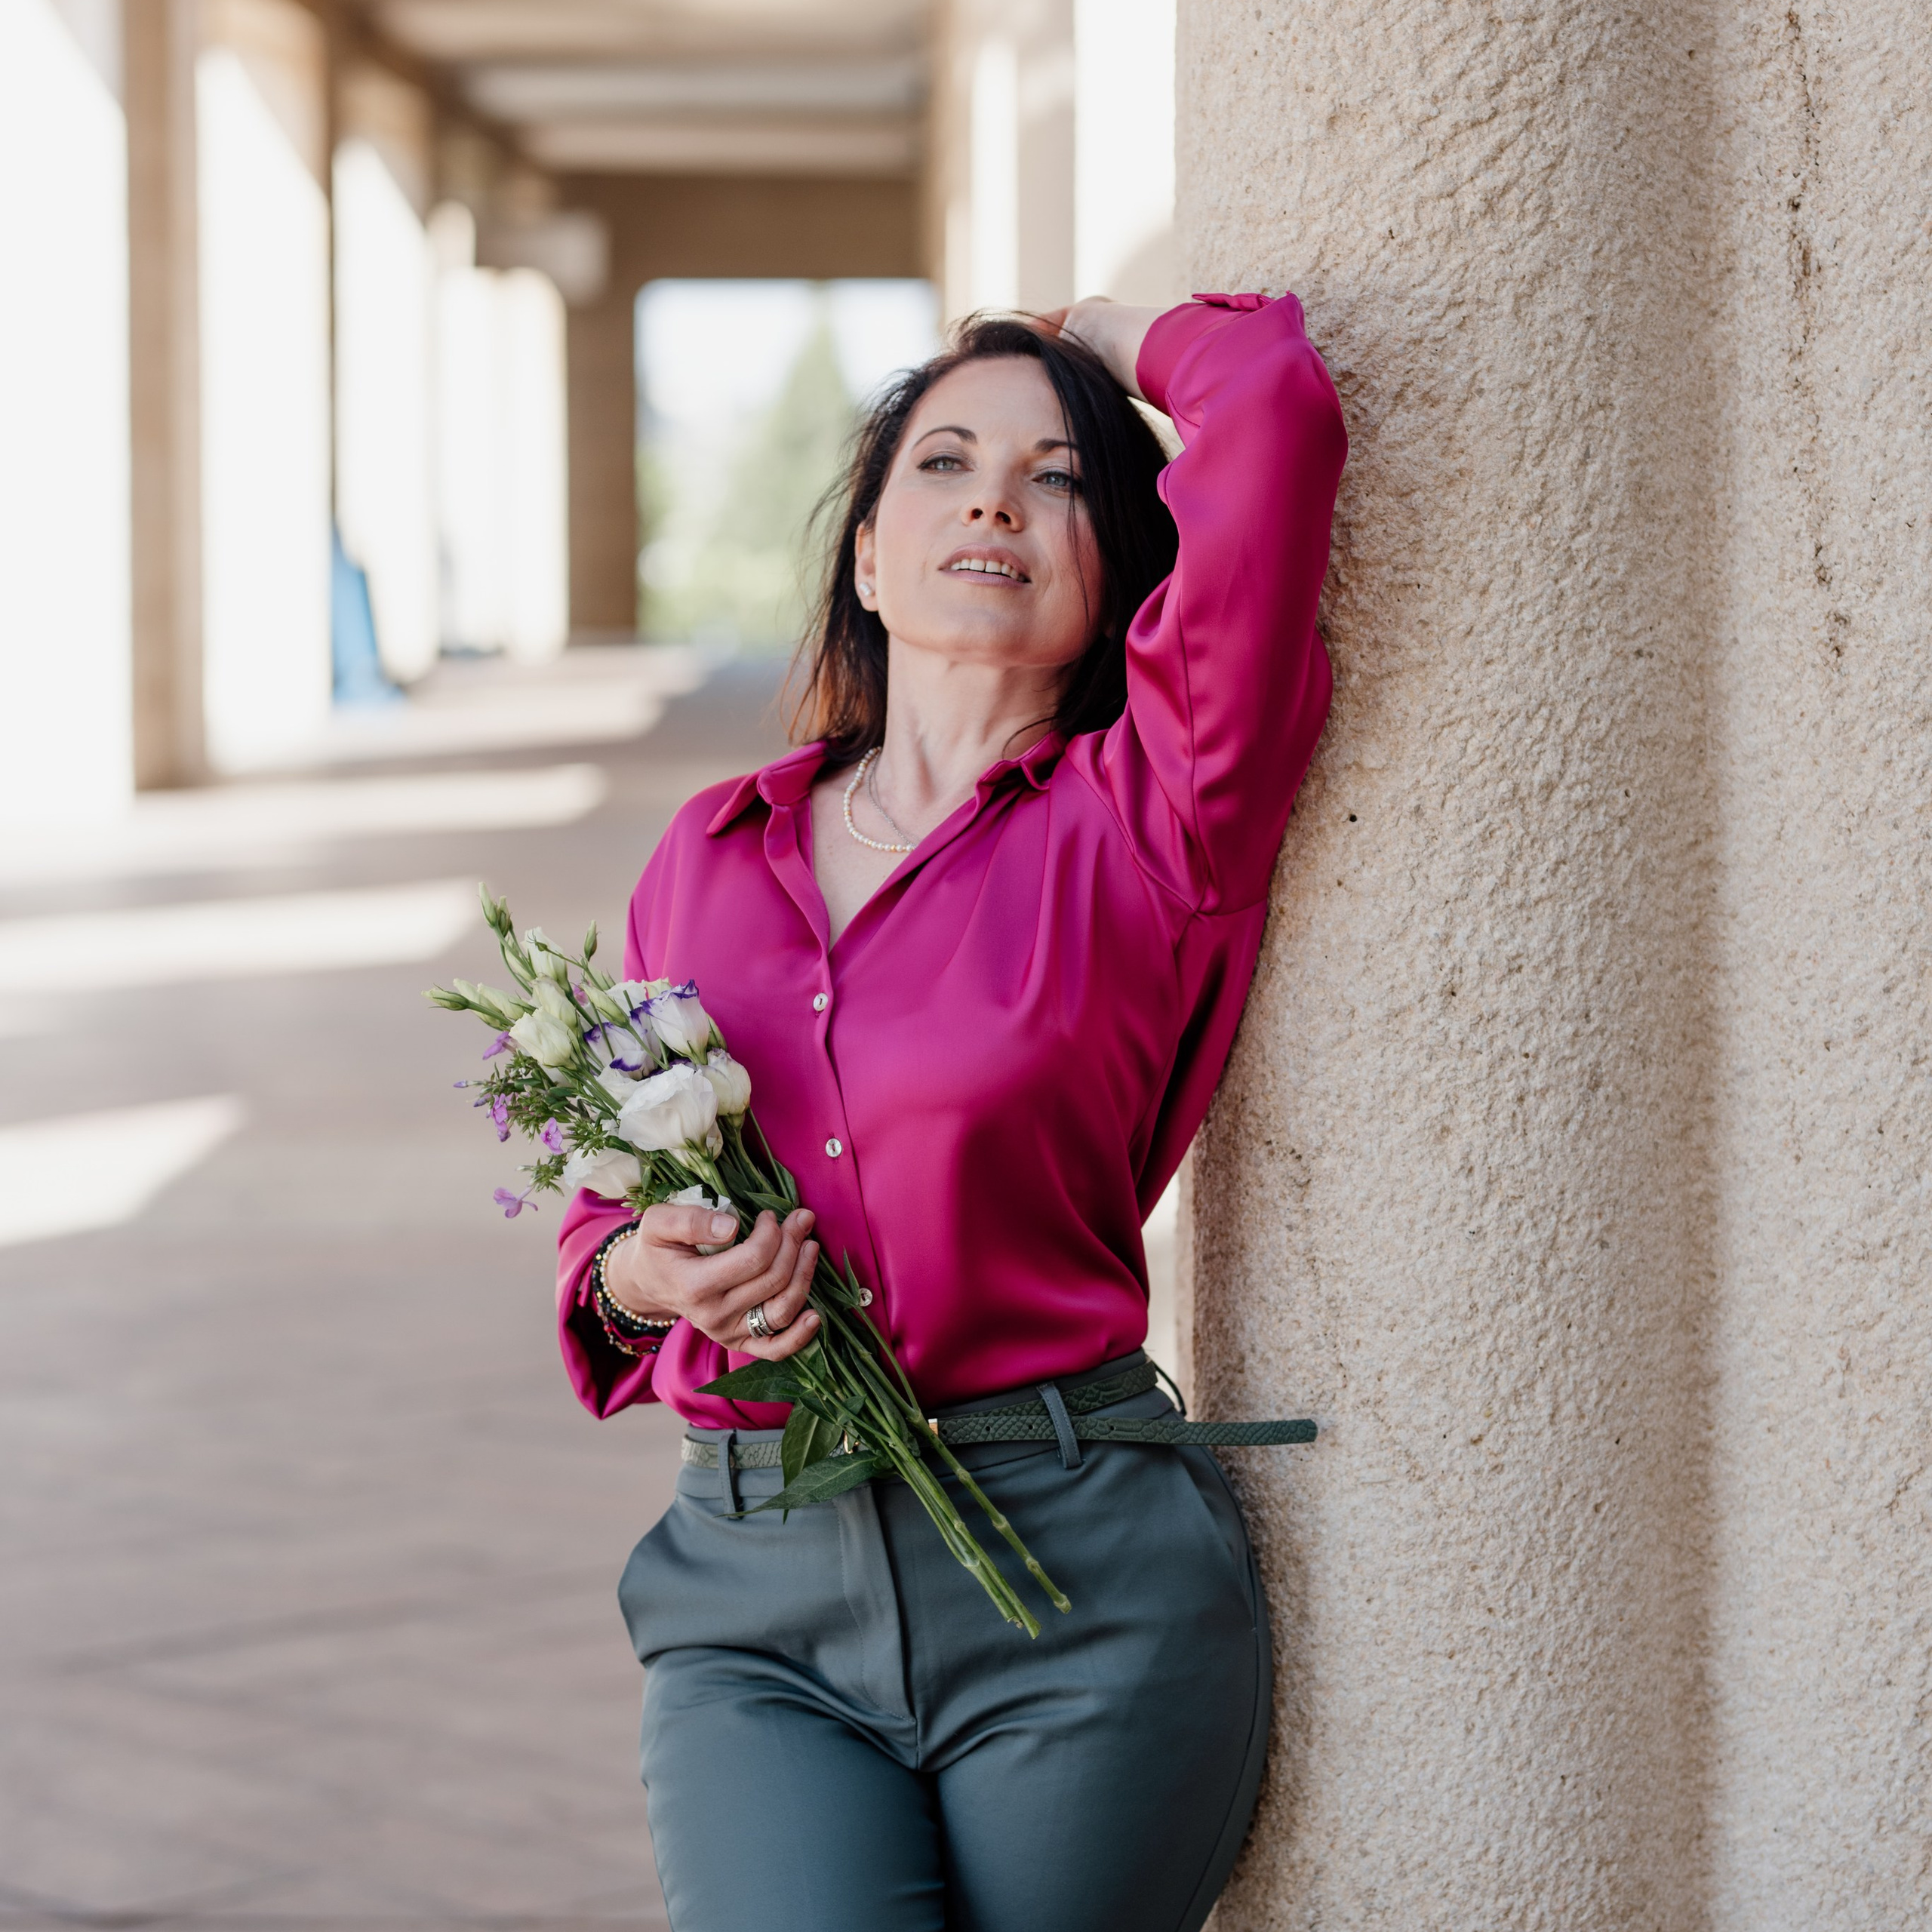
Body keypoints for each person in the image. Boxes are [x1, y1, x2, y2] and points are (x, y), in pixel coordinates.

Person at [554, 292, 1346, 1932]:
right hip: (752, 1592)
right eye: (945, 459)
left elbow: (1265, 403)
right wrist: (650, 1272)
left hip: (1075, 1588)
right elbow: (601, 1212)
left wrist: (1104, 330)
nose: (994, 498)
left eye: (1056, 478)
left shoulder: (1152, 819)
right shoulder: (708, 850)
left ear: (1108, 568)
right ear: (863, 555)